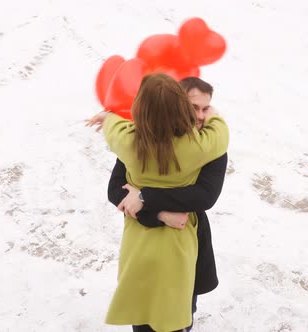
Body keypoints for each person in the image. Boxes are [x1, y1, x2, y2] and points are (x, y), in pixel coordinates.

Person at [88, 73, 229, 332]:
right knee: (176, 314)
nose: (200, 114)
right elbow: (220, 134)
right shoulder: (201, 147)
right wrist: (215, 116)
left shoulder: (129, 142)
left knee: (142, 313)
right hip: (180, 243)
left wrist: (109, 118)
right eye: (193, 108)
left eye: (204, 108)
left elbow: (115, 128)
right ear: (180, 108)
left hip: (138, 243)